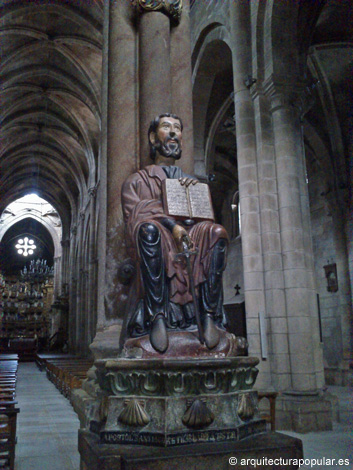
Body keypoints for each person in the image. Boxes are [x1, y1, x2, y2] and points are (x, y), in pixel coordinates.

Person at [121, 114, 228, 353]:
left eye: (177, 128)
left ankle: (208, 313)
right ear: (152, 137)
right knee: (148, 230)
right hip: (161, 237)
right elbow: (137, 213)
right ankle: (157, 316)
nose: (172, 133)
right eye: (166, 127)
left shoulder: (190, 181)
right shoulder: (137, 180)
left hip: (191, 237)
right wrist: (173, 225)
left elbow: (204, 218)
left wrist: (193, 198)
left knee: (217, 232)